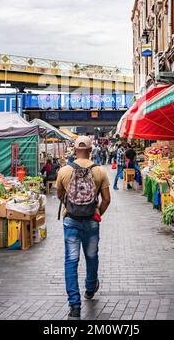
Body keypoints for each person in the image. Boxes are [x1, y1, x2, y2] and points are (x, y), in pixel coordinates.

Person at [56, 136, 111, 321]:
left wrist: (70, 205)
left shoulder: (64, 171)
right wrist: (96, 214)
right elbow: (107, 200)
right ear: (91, 149)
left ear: (74, 149)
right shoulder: (100, 171)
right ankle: (89, 288)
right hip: (91, 221)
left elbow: (59, 194)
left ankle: (75, 307)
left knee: (71, 261)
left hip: (70, 220)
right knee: (92, 256)